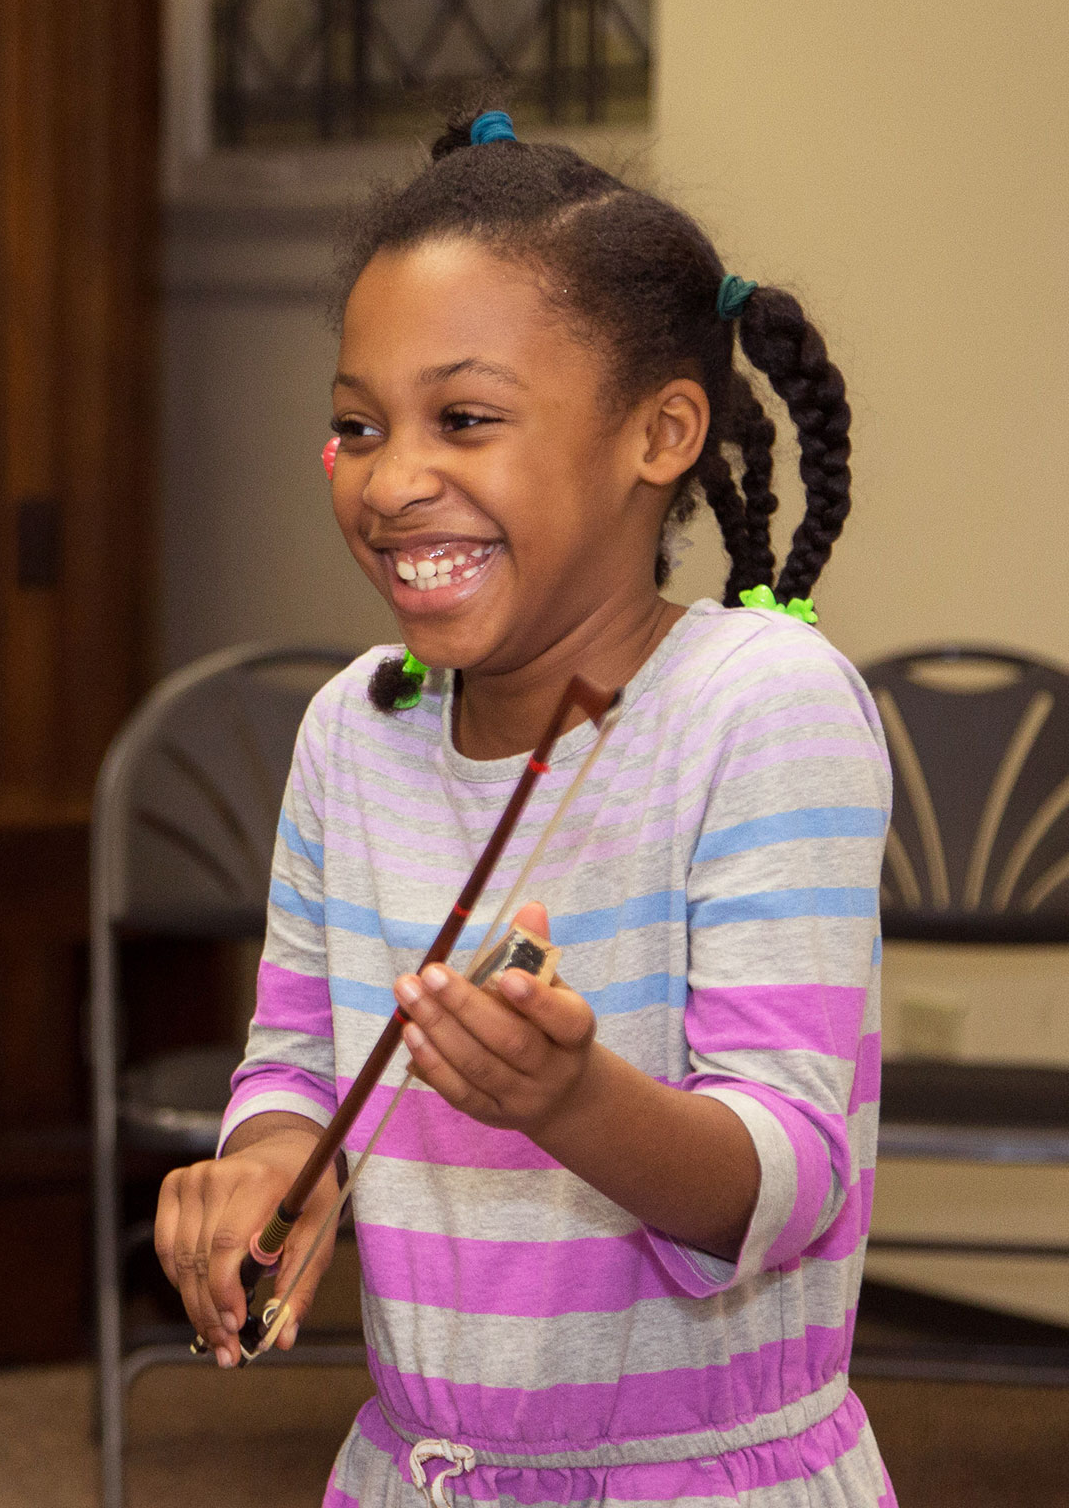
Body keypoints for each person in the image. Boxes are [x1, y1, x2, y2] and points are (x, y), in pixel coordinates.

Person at [155, 108, 890, 1506]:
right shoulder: (352, 732)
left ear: (662, 432)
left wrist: (570, 1098)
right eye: (356, 426)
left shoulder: (763, 703)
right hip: (419, 1472)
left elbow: (786, 1177)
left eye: (466, 419)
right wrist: (269, 1163)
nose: (391, 478)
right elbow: (300, 1061)